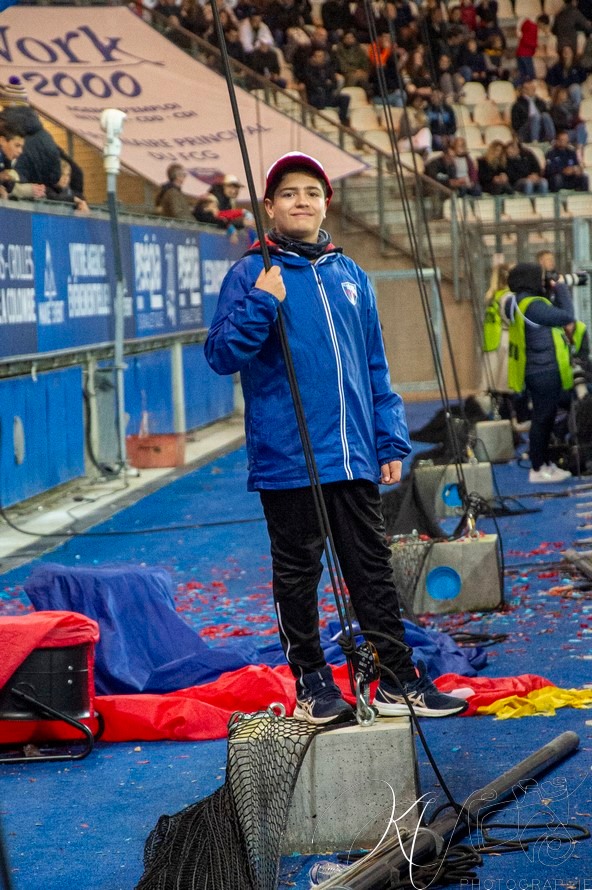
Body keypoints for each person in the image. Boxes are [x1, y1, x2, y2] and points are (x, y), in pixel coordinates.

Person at [204, 151, 469, 724]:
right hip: (289, 459)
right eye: (289, 192)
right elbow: (222, 354)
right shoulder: (252, 273)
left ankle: (395, 678)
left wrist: (391, 438)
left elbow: (374, 365)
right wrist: (263, 302)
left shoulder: (351, 275)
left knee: (371, 567)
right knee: (298, 575)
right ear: (269, 206)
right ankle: (312, 684)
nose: (302, 200)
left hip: (352, 457)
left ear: (327, 202)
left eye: (312, 191)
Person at [504, 262, 575, 483]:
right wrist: (561, 288)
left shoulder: (515, 302)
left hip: (534, 369)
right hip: (543, 371)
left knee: (543, 418)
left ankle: (543, 463)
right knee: (543, 419)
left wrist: (550, 292)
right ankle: (538, 468)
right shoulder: (532, 306)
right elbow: (566, 316)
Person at [0, 119, 46, 200]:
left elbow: (9, 187)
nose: (20, 151)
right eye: (17, 145)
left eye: (21, 147)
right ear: (2, 141)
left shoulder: (7, 160)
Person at [510, 78, 556, 144]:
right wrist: (529, 121)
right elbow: (516, 125)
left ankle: (552, 140)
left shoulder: (540, 102)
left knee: (545, 115)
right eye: (529, 88)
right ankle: (535, 141)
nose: (533, 90)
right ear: (523, 90)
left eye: (533, 88)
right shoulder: (517, 105)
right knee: (535, 117)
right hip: (525, 131)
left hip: (540, 128)